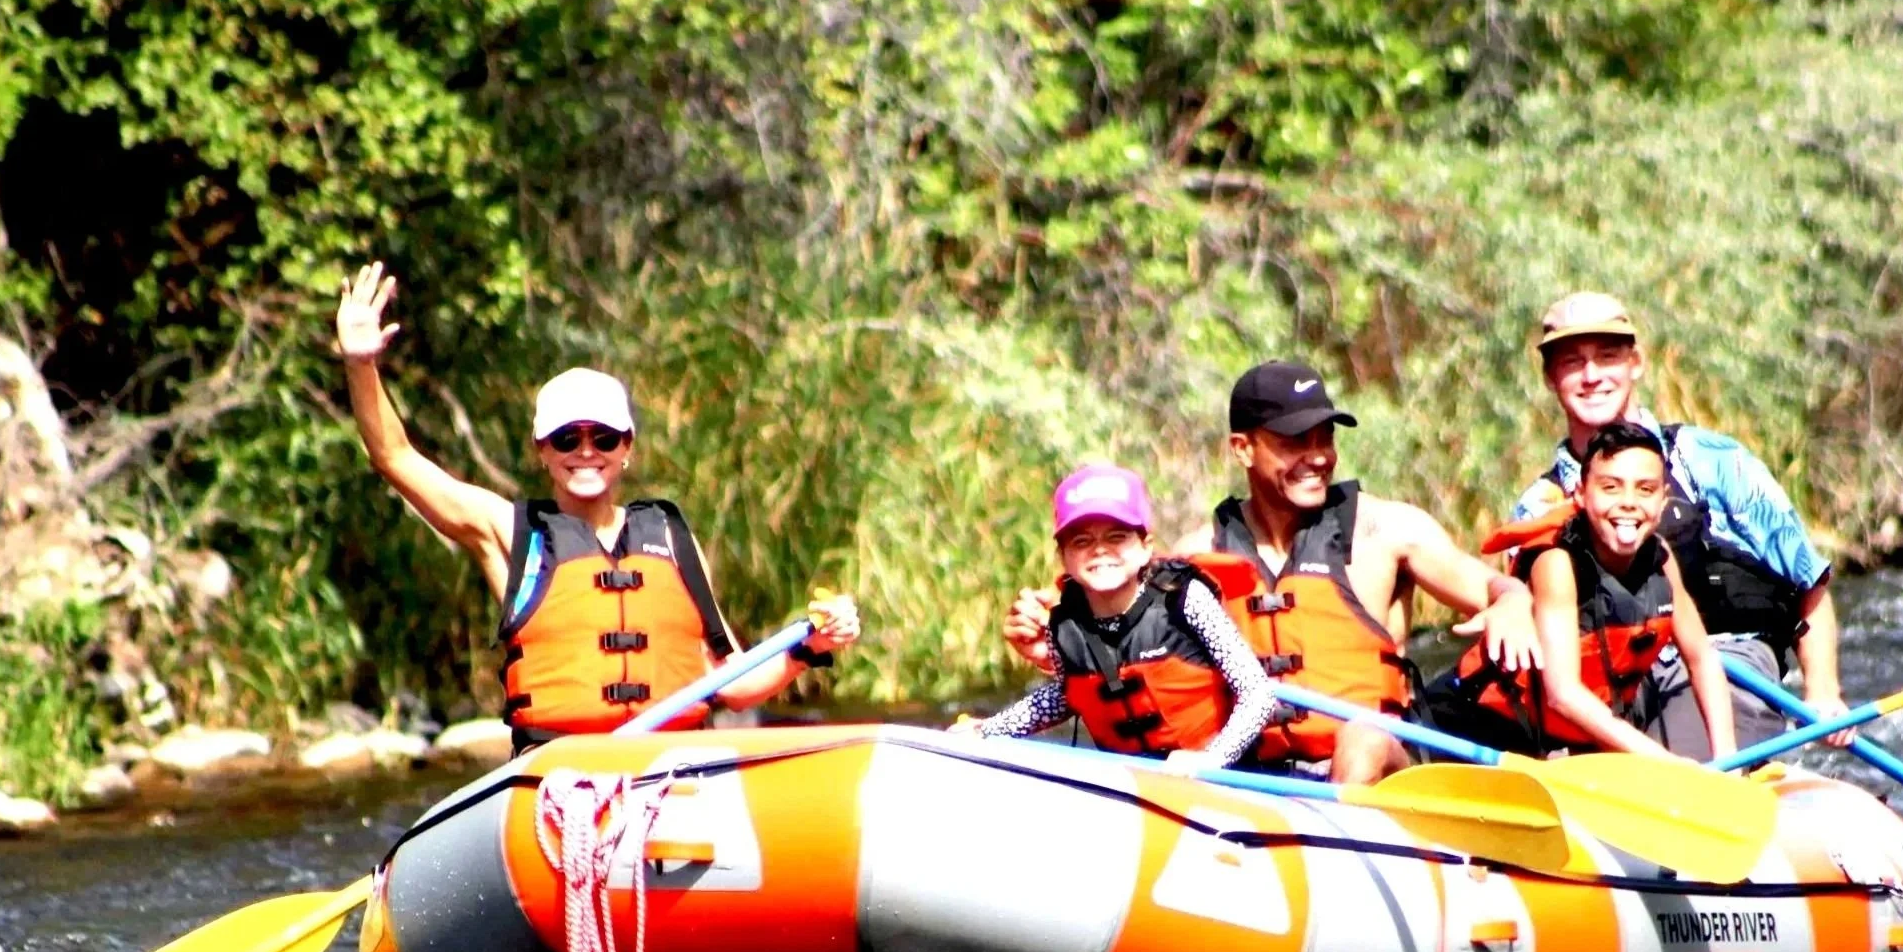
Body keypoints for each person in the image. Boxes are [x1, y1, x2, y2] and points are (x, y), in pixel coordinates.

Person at [333, 262, 860, 753]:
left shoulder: (671, 539)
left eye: (603, 438)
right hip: (559, 776)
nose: (586, 452)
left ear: (626, 449)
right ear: (543, 450)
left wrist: (810, 643)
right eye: (567, 439)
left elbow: (733, 679)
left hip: (671, 770)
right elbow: (395, 457)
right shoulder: (513, 534)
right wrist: (361, 365)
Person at [1002, 362, 1541, 784]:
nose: (1316, 457)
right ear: (1243, 448)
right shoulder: (1195, 555)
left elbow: (1493, 587)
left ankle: (1345, 862)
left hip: (1380, 772)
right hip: (1253, 776)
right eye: (1292, 442)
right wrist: (1055, 655)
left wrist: (1512, 598)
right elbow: (1130, 653)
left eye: (1324, 438)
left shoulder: (1386, 530)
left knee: (1362, 739)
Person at [1514, 292, 1847, 755]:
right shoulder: (1538, 505)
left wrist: (1823, 691)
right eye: (1573, 363)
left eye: (1607, 357)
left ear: (1636, 363)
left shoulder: (1712, 460)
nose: (1591, 377)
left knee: (1668, 769)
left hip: (1726, 664)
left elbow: (1809, 581)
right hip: (1608, 683)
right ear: (1551, 378)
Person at [1424, 422, 1736, 760]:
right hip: (1465, 730)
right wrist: (1666, 764)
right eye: (1611, 487)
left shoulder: (1660, 558)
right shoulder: (1556, 563)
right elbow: (1563, 694)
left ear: (1663, 501)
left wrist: (1729, 763)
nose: (1628, 502)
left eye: (1645, 489)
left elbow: (1701, 658)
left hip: (1555, 742)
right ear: (1581, 495)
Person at [954, 465, 1275, 772]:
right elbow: (1065, 696)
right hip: (1129, 783)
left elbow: (1257, 693)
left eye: (1117, 537)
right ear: (1063, 556)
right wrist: (990, 729)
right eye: (1082, 541)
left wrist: (1211, 760)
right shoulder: (1064, 624)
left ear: (1145, 548)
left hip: (1222, 779)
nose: (1100, 551)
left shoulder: (1187, 600)